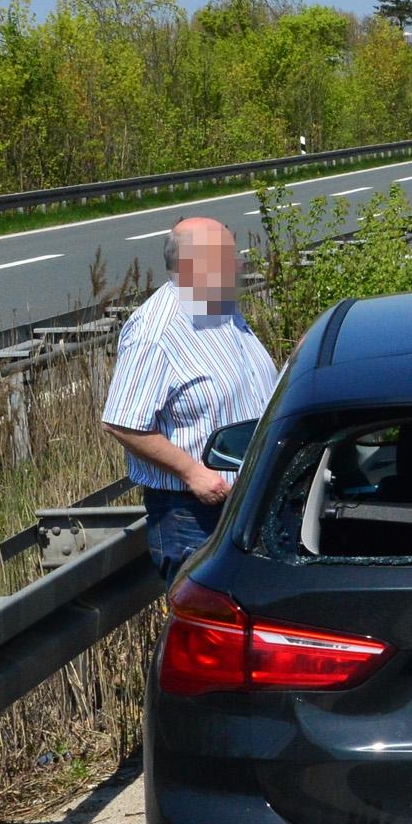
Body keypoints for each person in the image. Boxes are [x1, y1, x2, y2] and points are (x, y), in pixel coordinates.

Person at [102, 218, 279, 582]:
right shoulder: (156, 332)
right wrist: (193, 473)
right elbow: (122, 422)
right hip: (194, 513)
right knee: (211, 627)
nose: (240, 265)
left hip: (251, 500)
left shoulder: (221, 307)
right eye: (228, 257)